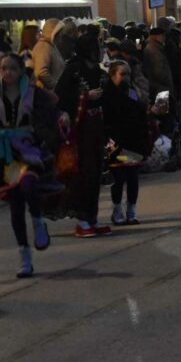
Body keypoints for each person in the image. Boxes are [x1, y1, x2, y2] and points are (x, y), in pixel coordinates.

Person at [0, 53, 68, 277]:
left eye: (12, 69)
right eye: (4, 69)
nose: (7, 73)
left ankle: (37, 221)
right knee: (15, 205)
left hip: (29, 150)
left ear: (21, 71)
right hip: (5, 155)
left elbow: (49, 115)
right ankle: (24, 255)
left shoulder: (34, 93)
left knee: (28, 185)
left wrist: (56, 127)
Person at [52, 32, 109, 237]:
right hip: (80, 131)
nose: (100, 51)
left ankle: (91, 218)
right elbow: (60, 97)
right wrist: (85, 96)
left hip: (96, 129)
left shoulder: (99, 72)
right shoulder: (73, 70)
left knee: (95, 174)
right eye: (96, 47)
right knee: (83, 174)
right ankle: (83, 221)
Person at [102, 60, 148, 225]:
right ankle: (117, 210)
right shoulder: (106, 94)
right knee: (118, 177)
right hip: (114, 142)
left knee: (132, 176)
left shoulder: (132, 92)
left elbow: (139, 111)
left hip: (132, 141)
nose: (126, 77)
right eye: (122, 74)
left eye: (128, 74)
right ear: (112, 75)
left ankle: (131, 210)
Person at [32, 19, 65, 90]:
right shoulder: (43, 47)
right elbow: (41, 72)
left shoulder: (50, 46)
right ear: (54, 33)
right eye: (60, 33)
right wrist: (54, 85)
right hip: (47, 93)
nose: (61, 36)